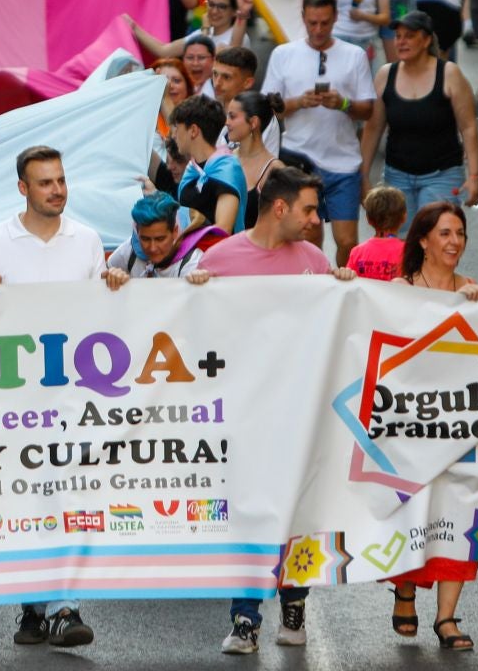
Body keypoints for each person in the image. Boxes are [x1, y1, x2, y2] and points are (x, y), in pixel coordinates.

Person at [186, 165, 355, 653]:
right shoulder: (219, 259)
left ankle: (294, 602)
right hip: (244, 415)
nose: (314, 219)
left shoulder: (316, 261)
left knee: (299, 508)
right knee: (249, 511)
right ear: (279, 208)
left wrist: (343, 284)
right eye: (307, 209)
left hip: (303, 413)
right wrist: (192, 294)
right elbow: (186, 328)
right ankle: (245, 617)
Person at [0, 145, 127, 649]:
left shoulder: (86, 240)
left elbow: (99, 313)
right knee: (24, 500)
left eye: (60, 180)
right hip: (12, 398)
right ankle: (34, 609)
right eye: (45, 182)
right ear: (22, 188)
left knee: (65, 496)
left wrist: (115, 284)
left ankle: (63, 607)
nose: (57, 190)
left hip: (70, 397)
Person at [387, 200, 478, 651]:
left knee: (459, 513)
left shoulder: (476, 291)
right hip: (410, 423)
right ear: (423, 241)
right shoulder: (398, 289)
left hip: (464, 424)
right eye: (445, 233)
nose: (455, 242)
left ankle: (447, 617)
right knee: (414, 511)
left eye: (460, 233)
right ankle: (405, 590)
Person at [259, 0, 375, 262]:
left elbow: (368, 109)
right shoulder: (284, 54)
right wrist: (299, 102)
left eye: (324, 22)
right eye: (312, 23)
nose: (318, 29)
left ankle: (344, 288)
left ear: (335, 18)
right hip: (299, 159)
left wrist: (343, 104)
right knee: (308, 239)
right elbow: (269, 107)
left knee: (347, 242)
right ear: (303, 19)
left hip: (342, 162)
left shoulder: (354, 55)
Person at [358, 11, 478, 229]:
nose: (401, 42)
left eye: (409, 36)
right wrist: (363, 175)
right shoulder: (386, 75)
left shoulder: (449, 73)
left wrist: (474, 176)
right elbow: (374, 127)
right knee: (401, 247)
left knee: (434, 239)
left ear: (426, 40)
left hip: (442, 174)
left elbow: (469, 127)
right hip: (398, 175)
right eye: (398, 36)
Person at [168, 94, 244, 232]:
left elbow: (223, 230)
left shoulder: (226, 169)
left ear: (193, 131)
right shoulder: (192, 169)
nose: (174, 135)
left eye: (177, 129)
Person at [104, 192, 211, 277]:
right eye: (145, 239)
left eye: (160, 239)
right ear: (137, 232)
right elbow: (103, 274)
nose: (153, 248)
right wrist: (112, 276)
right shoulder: (129, 251)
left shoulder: (192, 261)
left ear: (174, 232)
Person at [224, 91, 283, 229]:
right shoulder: (225, 159)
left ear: (253, 122)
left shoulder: (274, 170)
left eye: (232, 117)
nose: (226, 122)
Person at [344, 184, 408, 281]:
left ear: (368, 219)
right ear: (404, 217)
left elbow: (349, 282)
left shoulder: (357, 252)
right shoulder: (408, 252)